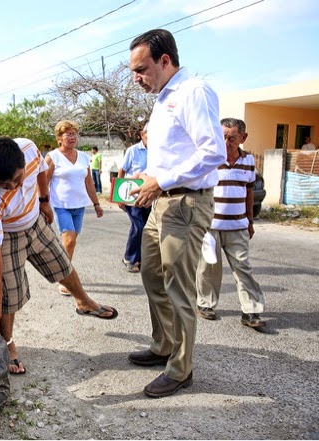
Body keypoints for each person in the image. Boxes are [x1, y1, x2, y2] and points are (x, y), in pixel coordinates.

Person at [127, 29, 226, 398]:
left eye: (142, 69)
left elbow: (213, 152)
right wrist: (148, 177)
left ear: (165, 61)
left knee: (179, 289)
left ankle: (181, 368)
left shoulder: (193, 91)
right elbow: (174, 152)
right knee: (152, 275)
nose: (137, 79)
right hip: (162, 200)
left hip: (186, 202)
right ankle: (164, 345)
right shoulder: (163, 97)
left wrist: (163, 179)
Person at [0, 136, 118, 374]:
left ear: (22, 162)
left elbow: (41, 171)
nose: (13, 187)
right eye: (4, 184)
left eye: (18, 179)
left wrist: (44, 201)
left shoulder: (29, 149)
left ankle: (84, 302)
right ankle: (8, 344)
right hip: (7, 235)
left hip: (35, 221)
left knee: (62, 263)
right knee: (9, 295)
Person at [196, 118, 267, 329]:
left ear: (243, 138)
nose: (226, 142)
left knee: (243, 268)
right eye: (222, 136)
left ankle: (251, 311)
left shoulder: (249, 161)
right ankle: (205, 304)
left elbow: (249, 192)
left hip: (238, 226)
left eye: (231, 138)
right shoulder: (209, 160)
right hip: (210, 227)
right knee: (208, 268)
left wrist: (250, 221)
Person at [45, 120, 103, 295]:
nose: (72, 137)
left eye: (74, 134)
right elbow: (44, 183)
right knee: (69, 240)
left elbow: (89, 182)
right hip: (60, 205)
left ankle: (62, 268)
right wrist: (42, 204)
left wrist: (97, 204)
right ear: (59, 138)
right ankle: (66, 279)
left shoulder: (84, 157)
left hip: (79, 206)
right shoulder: (52, 157)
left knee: (70, 243)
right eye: (68, 134)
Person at [117, 124, 151, 273]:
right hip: (132, 196)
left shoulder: (159, 151)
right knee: (138, 227)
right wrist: (118, 196)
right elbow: (122, 170)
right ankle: (129, 258)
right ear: (142, 135)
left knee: (148, 229)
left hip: (149, 196)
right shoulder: (133, 150)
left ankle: (142, 259)